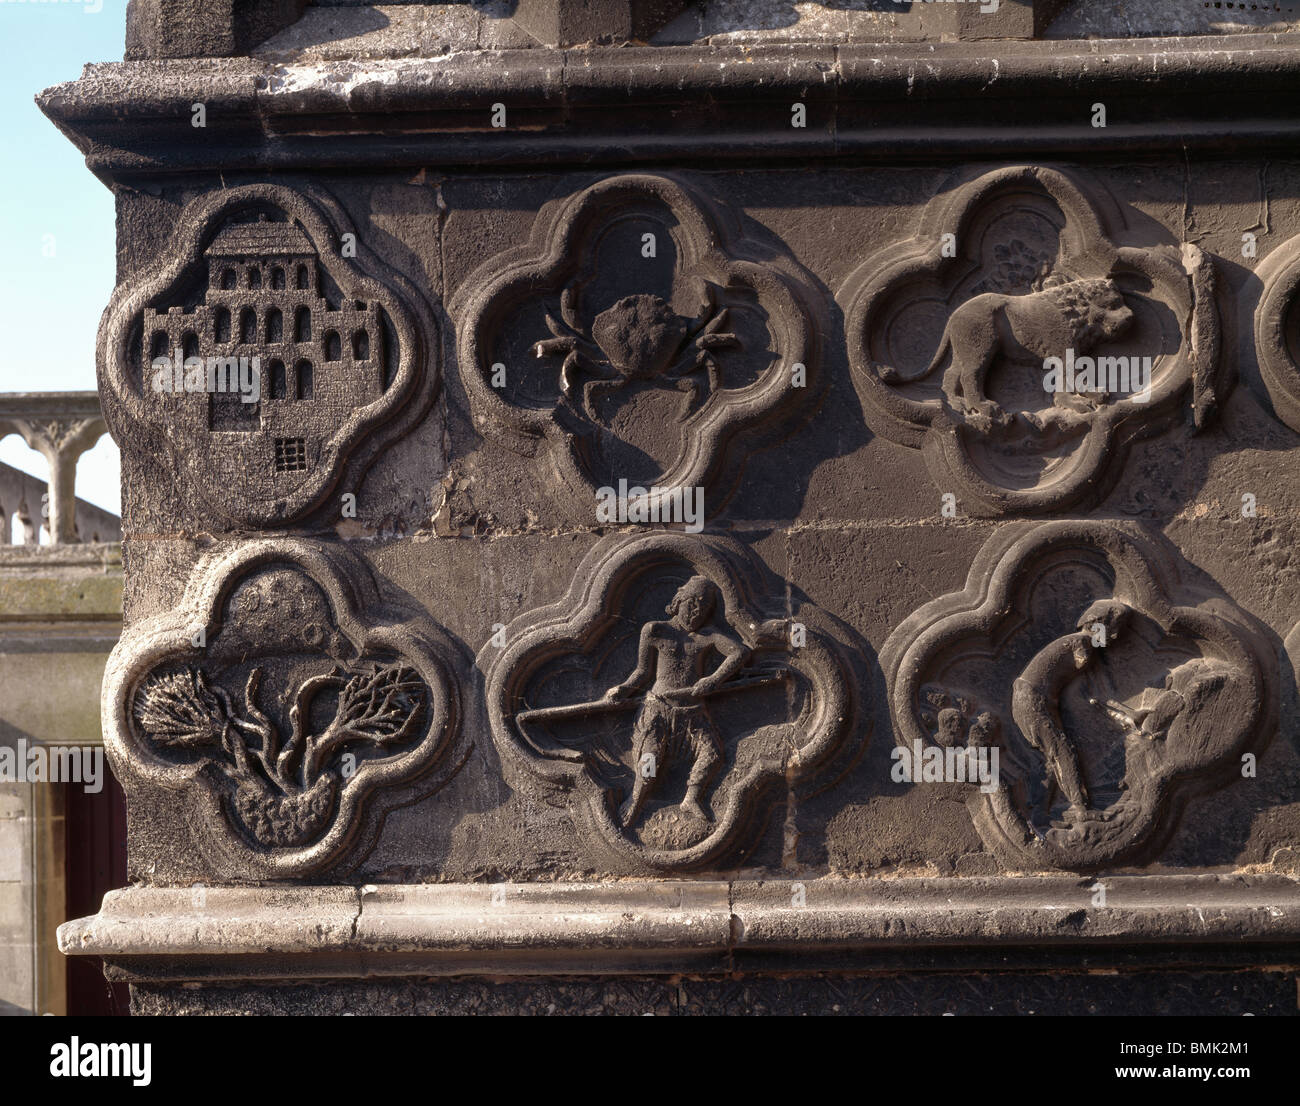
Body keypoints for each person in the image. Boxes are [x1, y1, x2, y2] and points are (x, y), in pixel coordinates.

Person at [605, 576, 748, 825]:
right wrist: (623, 689)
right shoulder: (656, 630)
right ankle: (637, 798)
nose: (695, 613)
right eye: (691, 605)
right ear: (678, 601)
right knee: (650, 760)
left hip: (692, 712)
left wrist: (714, 679)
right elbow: (642, 672)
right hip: (658, 708)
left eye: (702, 609)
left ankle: (691, 798)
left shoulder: (708, 637)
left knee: (712, 754)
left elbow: (740, 652)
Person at [1011, 597, 1131, 824]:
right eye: (1113, 629)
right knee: (1063, 751)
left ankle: (1040, 811)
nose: (1115, 636)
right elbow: (1083, 672)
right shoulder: (1082, 643)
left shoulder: (1076, 642)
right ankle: (1081, 809)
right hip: (1032, 700)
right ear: (1097, 624)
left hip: (1031, 700)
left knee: (1053, 757)